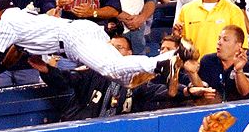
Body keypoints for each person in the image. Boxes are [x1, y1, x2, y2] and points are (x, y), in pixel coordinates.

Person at [0, 0, 195, 90]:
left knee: (110, 67)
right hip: (83, 30)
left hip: (71, 38)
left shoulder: (6, 20)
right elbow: (14, 52)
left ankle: (165, 59)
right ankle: (162, 67)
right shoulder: (24, 18)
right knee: (124, 80)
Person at [28, 35, 215, 119]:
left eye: (119, 48)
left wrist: (189, 90)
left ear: (130, 53)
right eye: (111, 47)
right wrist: (47, 70)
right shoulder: (93, 71)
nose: (113, 51)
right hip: (84, 128)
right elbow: (66, 79)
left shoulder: (137, 79)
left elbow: (160, 91)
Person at [175, 0, 247, 58]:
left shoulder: (233, 11)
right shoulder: (186, 10)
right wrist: (176, 35)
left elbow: (242, 46)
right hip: (192, 66)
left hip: (221, 68)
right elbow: (180, 42)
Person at [197, 25, 249, 101]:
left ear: (238, 45)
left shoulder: (246, 65)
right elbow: (200, 88)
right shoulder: (207, 61)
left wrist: (239, 70)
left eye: (225, 40)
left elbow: (244, 91)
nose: (219, 42)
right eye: (219, 39)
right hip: (212, 109)